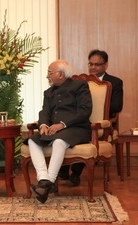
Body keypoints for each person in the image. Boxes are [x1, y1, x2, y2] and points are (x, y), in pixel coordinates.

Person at [27, 60, 92, 204]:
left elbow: (85, 111)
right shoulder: (48, 92)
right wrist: (43, 124)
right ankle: (44, 179)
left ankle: (47, 183)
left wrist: (62, 124)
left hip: (77, 128)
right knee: (32, 140)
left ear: (61, 74)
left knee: (59, 141)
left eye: (50, 73)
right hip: (54, 130)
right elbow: (44, 111)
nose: (47, 76)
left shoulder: (79, 86)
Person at [59, 49, 124, 186]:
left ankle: (75, 173)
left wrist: (93, 108)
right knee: (67, 131)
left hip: (102, 123)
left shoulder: (114, 82)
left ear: (105, 65)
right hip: (78, 121)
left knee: (86, 131)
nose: (93, 67)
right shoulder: (77, 82)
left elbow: (117, 106)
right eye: (91, 64)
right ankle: (63, 168)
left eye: (97, 65)